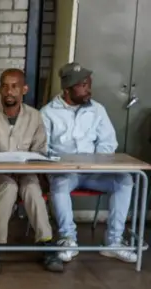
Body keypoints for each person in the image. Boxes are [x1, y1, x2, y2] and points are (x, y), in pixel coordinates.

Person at [41, 62, 137, 263]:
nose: (88, 90)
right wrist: (63, 162)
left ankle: (113, 242)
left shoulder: (97, 110)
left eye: (89, 84)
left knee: (125, 180)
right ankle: (68, 239)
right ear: (67, 89)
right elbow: (42, 148)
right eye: (83, 85)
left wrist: (95, 161)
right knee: (59, 184)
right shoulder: (48, 112)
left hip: (94, 172)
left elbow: (109, 142)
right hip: (65, 172)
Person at [0, 68, 62, 273]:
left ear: (24, 89)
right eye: (4, 86)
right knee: (8, 186)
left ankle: (46, 244)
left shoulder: (35, 117)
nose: (9, 92)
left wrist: (25, 164)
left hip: (24, 172)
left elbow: (39, 151)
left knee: (31, 186)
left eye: (14, 87)